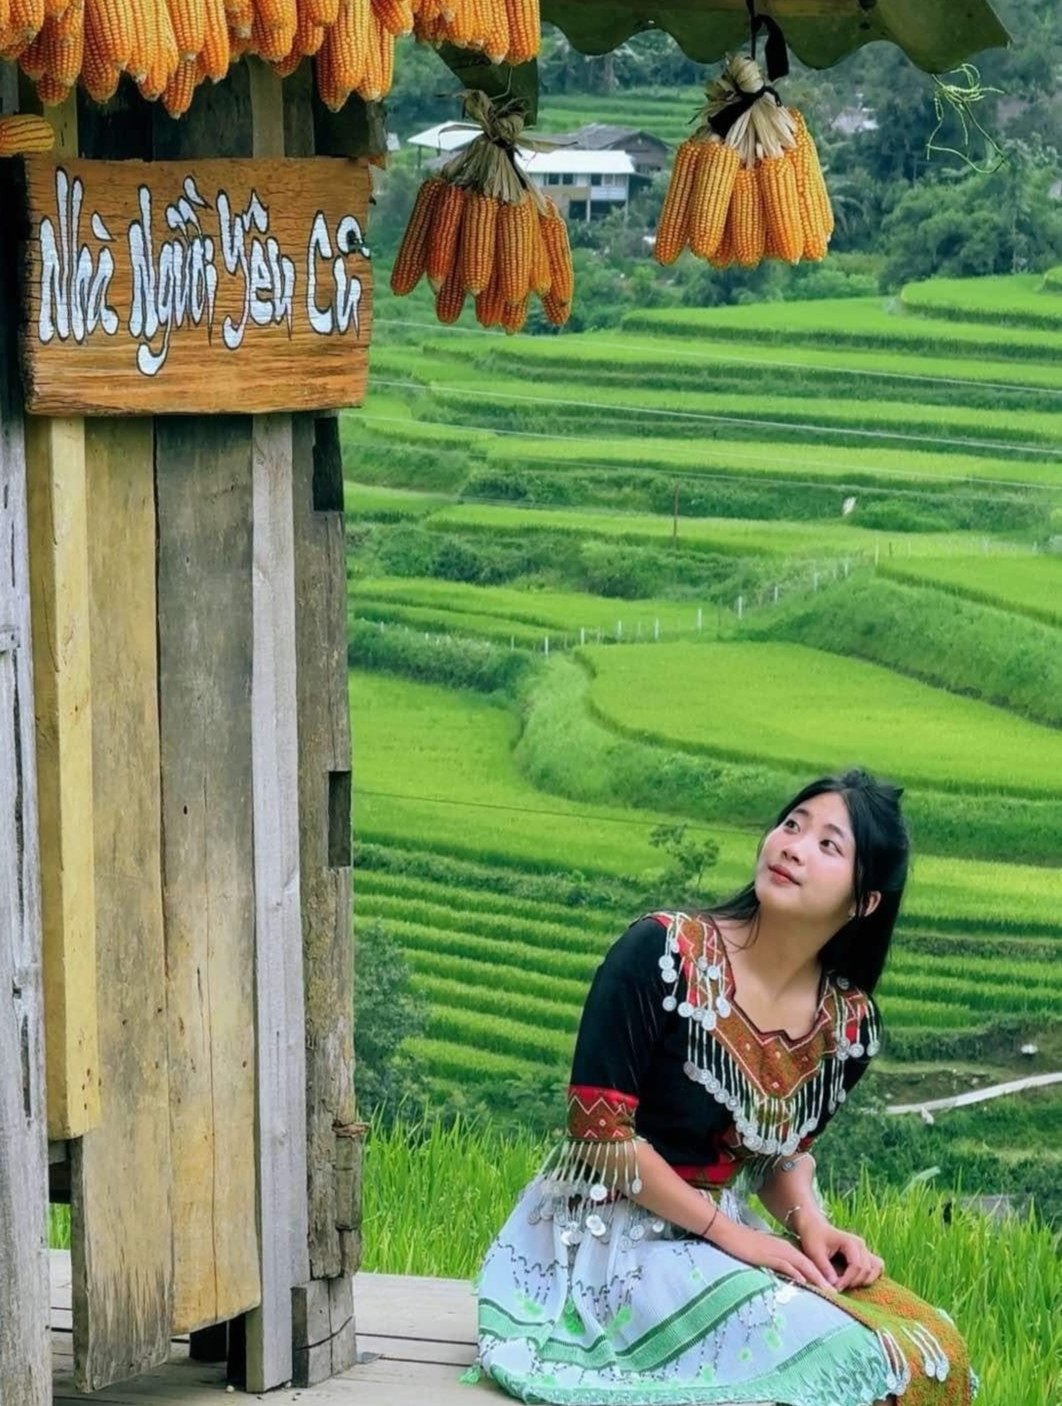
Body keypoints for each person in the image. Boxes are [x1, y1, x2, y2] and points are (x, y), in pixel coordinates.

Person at [471, 769, 977, 1406]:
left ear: (864, 901)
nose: (792, 845)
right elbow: (597, 1139)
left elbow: (775, 1153)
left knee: (933, 1346)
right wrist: (735, 1237)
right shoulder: (661, 952)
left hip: (713, 1236)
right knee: (847, 1353)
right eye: (792, 825)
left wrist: (811, 1225)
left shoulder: (846, 1024)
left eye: (828, 844)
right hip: (602, 1237)